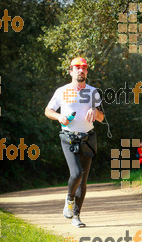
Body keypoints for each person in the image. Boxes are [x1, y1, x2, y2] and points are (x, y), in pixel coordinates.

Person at [45, 57, 104, 227]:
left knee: (83, 181)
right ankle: (69, 199)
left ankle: (76, 216)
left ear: (86, 71)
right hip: (69, 138)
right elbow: (48, 111)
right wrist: (59, 117)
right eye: (77, 68)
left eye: (84, 68)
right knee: (76, 174)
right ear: (71, 71)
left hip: (88, 137)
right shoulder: (62, 91)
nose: (81, 70)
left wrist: (94, 110)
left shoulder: (94, 92)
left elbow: (101, 118)